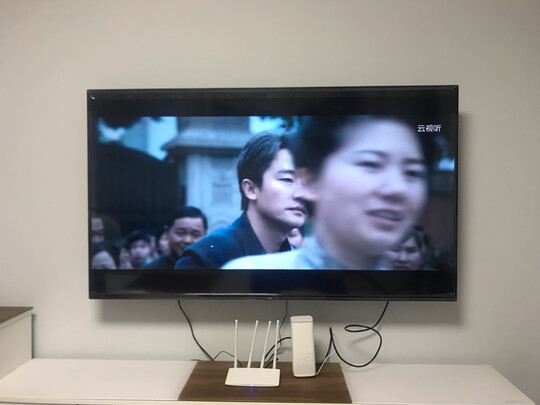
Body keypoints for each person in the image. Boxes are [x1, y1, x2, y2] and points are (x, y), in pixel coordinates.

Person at [223, 115, 432, 270]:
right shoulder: (251, 276)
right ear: (310, 181)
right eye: (371, 164)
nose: (397, 189)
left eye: (412, 172)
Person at [175, 133, 307, 269]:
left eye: (306, 183)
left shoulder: (302, 263)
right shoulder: (206, 258)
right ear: (250, 189)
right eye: (287, 179)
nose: (302, 193)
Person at [143, 206, 208, 269]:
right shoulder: (151, 270)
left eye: (195, 234)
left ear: (205, 236)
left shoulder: (212, 267)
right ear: (167, 233)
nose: (187, 240)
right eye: (181, 233)